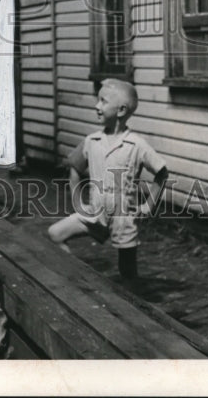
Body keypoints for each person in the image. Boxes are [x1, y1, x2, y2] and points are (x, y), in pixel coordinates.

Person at [47, 78, 169, 281]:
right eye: (97, 101)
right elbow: (75, 167)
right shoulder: (91, 141)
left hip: (123, 217)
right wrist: (78, 203)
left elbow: (162, 173)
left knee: (128, 272)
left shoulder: (136, 144)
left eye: (103, 101)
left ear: (121, 111)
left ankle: (133, 309)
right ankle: (83, 282)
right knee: (55, 234)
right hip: (94, 214)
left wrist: (148, 206)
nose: (97, 106)